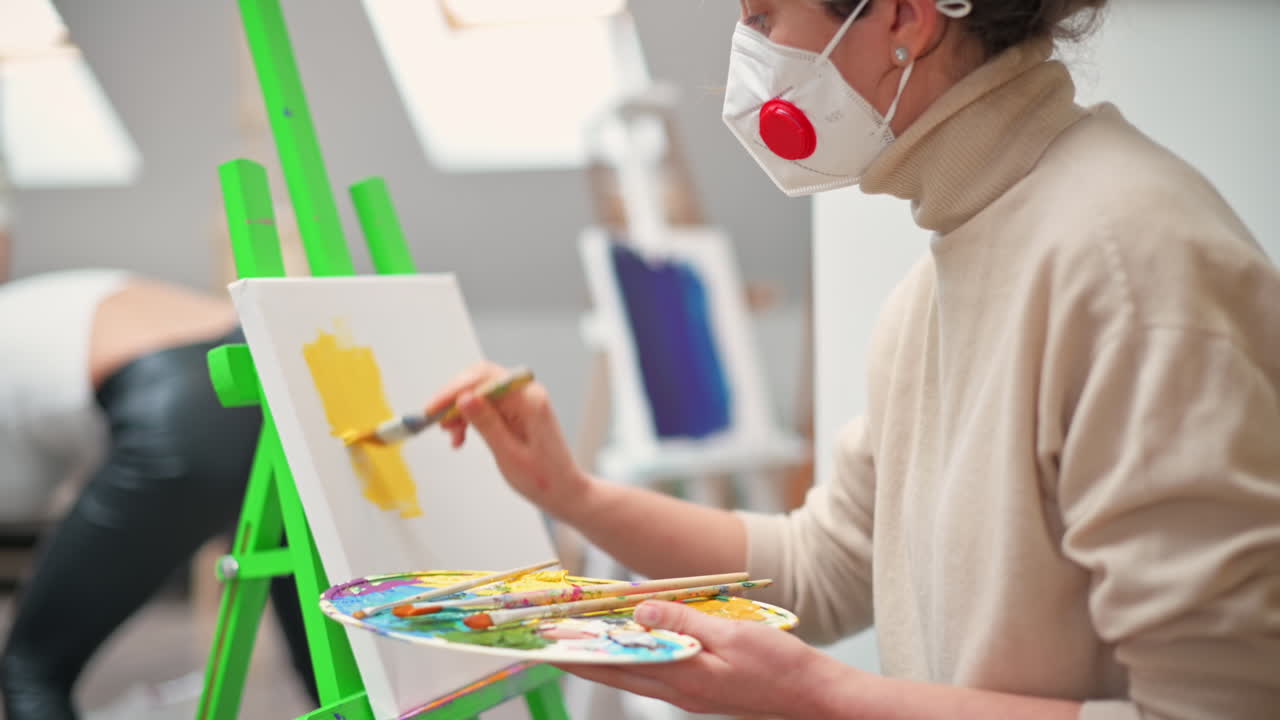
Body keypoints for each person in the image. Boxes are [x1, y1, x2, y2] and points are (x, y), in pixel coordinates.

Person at [424, 0, 1280, 718]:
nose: (749, 58)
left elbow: (1219, 706)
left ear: (907, 17)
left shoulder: (1130, 262)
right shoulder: (937, 281)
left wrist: (822, 696)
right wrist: (570, 495)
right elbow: (822, 567)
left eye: (765, 16)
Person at [0, 237, 315, 716]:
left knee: (31, 668)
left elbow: (22, 502)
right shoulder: (41, 299)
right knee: (330, 667)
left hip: (176, 408)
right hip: (272, 382)